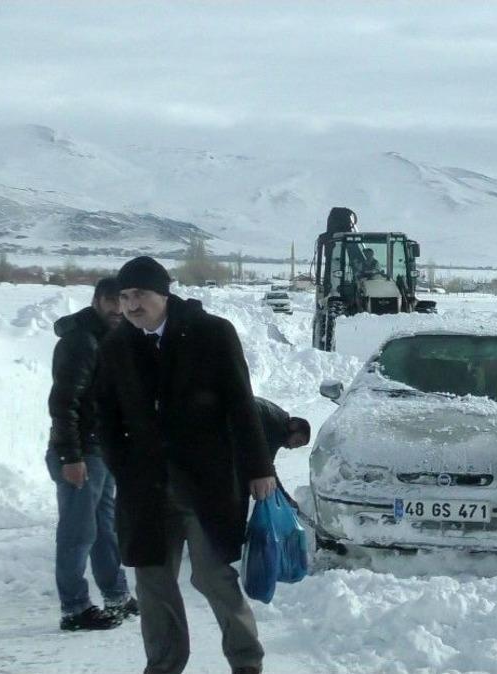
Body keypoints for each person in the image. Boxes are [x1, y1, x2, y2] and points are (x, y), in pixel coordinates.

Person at [96, 256, 276, 674]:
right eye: (124, 297)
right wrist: (121, 463)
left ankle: (247, 663)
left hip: (205, 482)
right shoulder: (117, 347)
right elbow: (104, 415)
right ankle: (163, 666)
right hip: (146, 489)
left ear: (164, 294)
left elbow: (240, 404)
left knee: (214, 577)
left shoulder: (211, 334)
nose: (131, 305)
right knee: (154, 585)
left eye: (139, 294)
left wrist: (259, 467)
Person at [46, 277, 139, 631]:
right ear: (100, 301)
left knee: (104, 529)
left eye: (127, 299)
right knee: (78, 533)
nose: (122, 308)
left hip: (101, 449)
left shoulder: (107, 337)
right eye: (116, 301)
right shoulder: (81, 342)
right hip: (80, 451)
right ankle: (74, 608)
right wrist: (71, 456)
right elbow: (63, 401)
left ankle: (116, 595)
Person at [254, 397, 311, 507]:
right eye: (297, 441)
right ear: (293, 426)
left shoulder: (279, 417)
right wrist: (287, 500)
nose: (293, 447)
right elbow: (268, 470)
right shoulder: (276, 428)